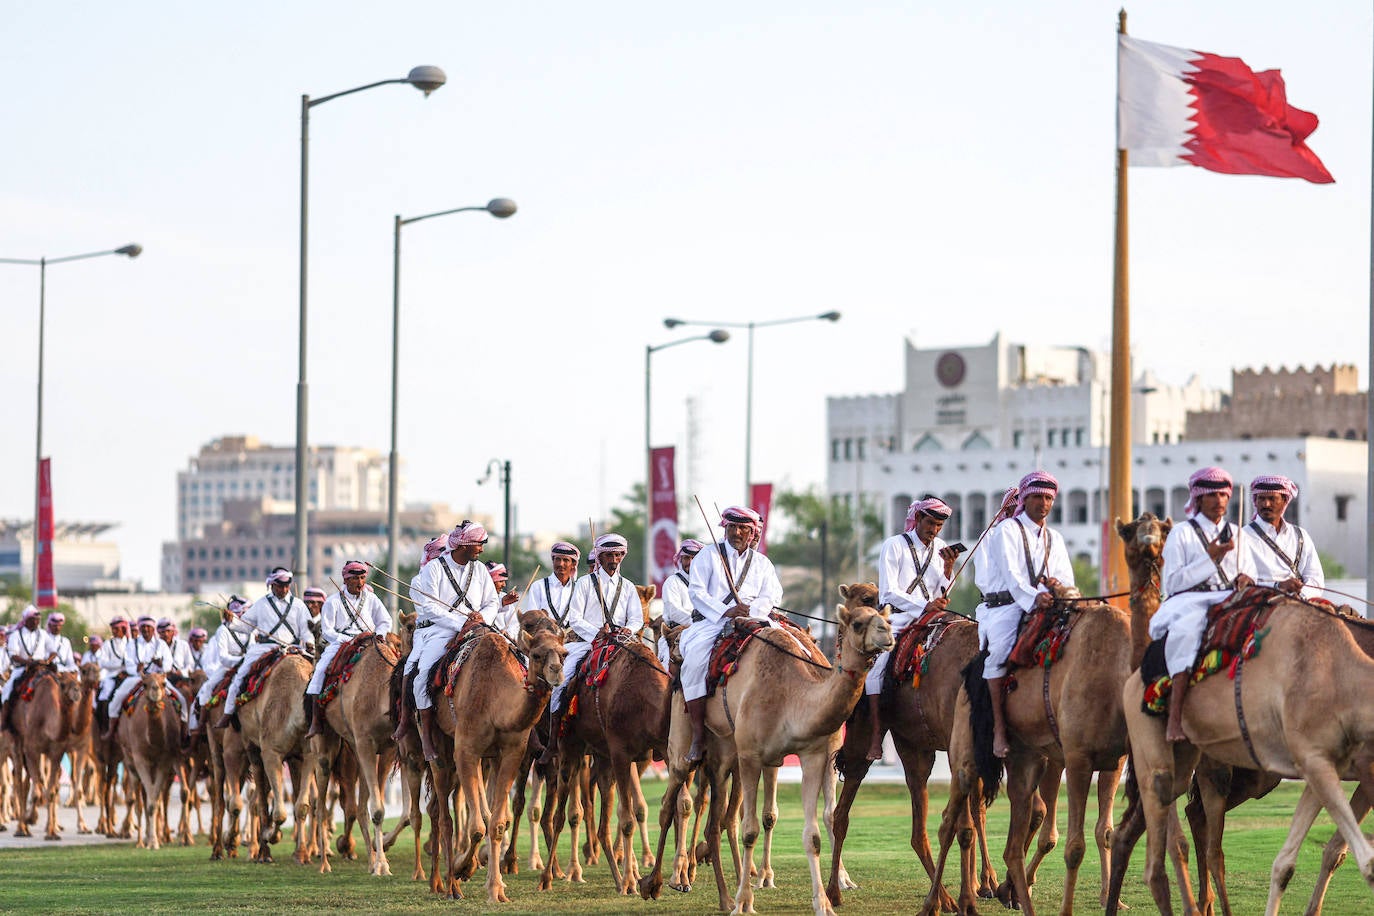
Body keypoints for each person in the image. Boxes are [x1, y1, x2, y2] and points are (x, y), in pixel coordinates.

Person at [1147, 466, 1253, 744]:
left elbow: (1249, 572)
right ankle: (1174, 717)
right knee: (1187, 633)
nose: (1219, 500)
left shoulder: (1238, 533)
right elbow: (1173, 582)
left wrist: (1246, 579)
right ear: (1198, 498)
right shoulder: (1181, 533)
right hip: (1189, 600)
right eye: (1212, 495)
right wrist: (1210, 558)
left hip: (1230, 598)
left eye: (1222, 494)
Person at [976, 471, 1074, 758]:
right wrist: (1035, 596)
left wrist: (1059, 587)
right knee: (999, 654)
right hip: (1006, 607)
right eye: (1036, 497)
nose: (1042, 503)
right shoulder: (1004, 531)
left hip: (1048, 604)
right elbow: (1013, 576)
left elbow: (1065, 576)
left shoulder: (1054, 538)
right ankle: (999, 729)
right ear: (1025, 499)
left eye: (1048, 498)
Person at [679, 506, 783, 766]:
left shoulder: (762, 563)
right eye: (732, 527)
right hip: (712, 623)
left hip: (755, 620)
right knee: (694, 662)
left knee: (790, 647)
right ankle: (699, 736)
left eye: (743, 529)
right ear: (725, 528)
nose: (736, 532)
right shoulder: (707, 556)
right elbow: (697, 593)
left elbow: (771, 595)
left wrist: (751, 612)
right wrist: (727, 611)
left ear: (751, 533)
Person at [864, 497, 958, 761]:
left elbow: (942, 593)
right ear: (917, 519)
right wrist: (924, 606)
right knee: (876, 671)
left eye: (939, 526)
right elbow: (888, 592)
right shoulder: (894, 545)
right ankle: (876, 734)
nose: (934, 530)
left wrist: (948, 570)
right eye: (930, 523)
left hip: (932, 616)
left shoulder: (940, 548)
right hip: (899, 618)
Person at [539, 533, 643, 765]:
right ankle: (554, 739)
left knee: (649, 666)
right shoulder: (585, 584)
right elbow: (575, 618)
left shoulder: (627, 586)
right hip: (589, 642)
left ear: (622, 556)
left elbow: (636, 619)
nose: (613, 559)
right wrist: (597, 633)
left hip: (622, 642)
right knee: (563, 681)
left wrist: (627, 630)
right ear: (600, 556)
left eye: (617, 555)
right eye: (608, 555)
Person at [398, 522, 498, 761]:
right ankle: (427, 737)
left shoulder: (481, 570)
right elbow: (430, 607)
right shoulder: (433, 569)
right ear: (464, 545)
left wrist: (482, 619)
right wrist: (460, 623)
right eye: (478, 544)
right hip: (442, 631)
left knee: (519, 660)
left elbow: (492, 601)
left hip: (480, 628)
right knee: (421, 676)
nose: (482, 550)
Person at [304, 560, 391, 739]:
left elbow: (385, 621)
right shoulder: (333, 601)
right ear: (346, 580)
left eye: (362, 578)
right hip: (341, 642)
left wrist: (380, 634)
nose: (359, 582)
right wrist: (348, 640)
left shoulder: (372, 598)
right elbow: (327, 630)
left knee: (393, 664)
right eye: (355, 579)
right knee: (319, 670)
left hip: (369, 640)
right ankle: (315, 721)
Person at [216, 568, 312, 729]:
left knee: (314, 674)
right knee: (240, 676)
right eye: (280, 586)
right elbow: (244, 626)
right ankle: (228, 713)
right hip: (265, 648)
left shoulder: (299, 605)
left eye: (287, 586)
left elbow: (307, 631)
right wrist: (231, 621)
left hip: (293, 648)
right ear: (272, 585)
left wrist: (309, 644)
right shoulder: (261, 604)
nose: (284, 589)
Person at [1238, 474, 1324, 598]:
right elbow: (1241, 582)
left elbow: (1315, 578)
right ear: (1255, 502)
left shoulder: (1301, 535)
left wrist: (1302, 596)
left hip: (1302, 601)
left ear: (1285, 501)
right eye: (1261, 499)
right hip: (1260, 601)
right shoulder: (1242, 536)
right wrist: (1277, 586)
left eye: (1272, 499)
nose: (1266, 504)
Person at [103, 616, 178, 739]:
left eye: (149, 627)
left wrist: (161, 665)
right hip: (138, 678)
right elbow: (128, 664)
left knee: (181, 699)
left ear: (153, 629)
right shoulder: (132, 644)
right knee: (116, 698)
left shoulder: (161, 644)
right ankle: (111, 730)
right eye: (143, 627)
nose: (146, 629)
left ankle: (186, 733)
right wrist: (137, 669)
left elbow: (168, 664)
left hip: (158, 679)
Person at [189, 596, 252, 737]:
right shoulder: (223, 631)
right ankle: (199, 728)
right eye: (244, 613)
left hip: (250, 664)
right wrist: (240, 661)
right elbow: (223, 658)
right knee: (206, 689)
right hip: (229, 667)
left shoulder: (253, 630)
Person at [658, 539, 704, 668]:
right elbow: (674, 612)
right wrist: (699, 622)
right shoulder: (672, 582)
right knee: (666, 679)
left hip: (701, 633)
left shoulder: (705, 583)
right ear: (680, 559)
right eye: (686, 558)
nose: (689, 563)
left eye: (693, 558)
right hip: (675, 635)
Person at [2, 608, 57, 716]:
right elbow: (13, 656)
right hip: (22, 668)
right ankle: (6, 719)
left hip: (42, 668)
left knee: (58, 684)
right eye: (33, 619)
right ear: (25, 620)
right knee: (8, 690)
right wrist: (29, 662)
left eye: (38, 619)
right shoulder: (16, 635)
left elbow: (53, 651)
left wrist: (47, 661)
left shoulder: (43, 634)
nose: (36, 622)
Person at [523, 542, 580, 627]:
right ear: (553, 561)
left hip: (573, 639)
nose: (561, 564)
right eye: (558, 559)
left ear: (573, 564)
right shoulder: (538, 586)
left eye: (565, 560)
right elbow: (532, 617)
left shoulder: (579, 588)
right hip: (545, 637)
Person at [95, 615, 134, 724]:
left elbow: (134, 662)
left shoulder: (132, 643)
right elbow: (102, 662)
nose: (114, 631)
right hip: (111, 676)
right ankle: (104, 723)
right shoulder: (108, 644)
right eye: (113, 629)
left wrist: (126, 670)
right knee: (105, 695)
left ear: (124, 629)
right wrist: (118, 665)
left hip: (130, 675)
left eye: (117, 629)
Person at [487, 562, 523, 640]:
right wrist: (501, 603)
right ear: (490, 582)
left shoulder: (504, 596)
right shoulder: (477, 597)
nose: (504, 585)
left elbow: (514, 624)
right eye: (500, 581)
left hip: (505, 641)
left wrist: (507, 634)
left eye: (504, 581)